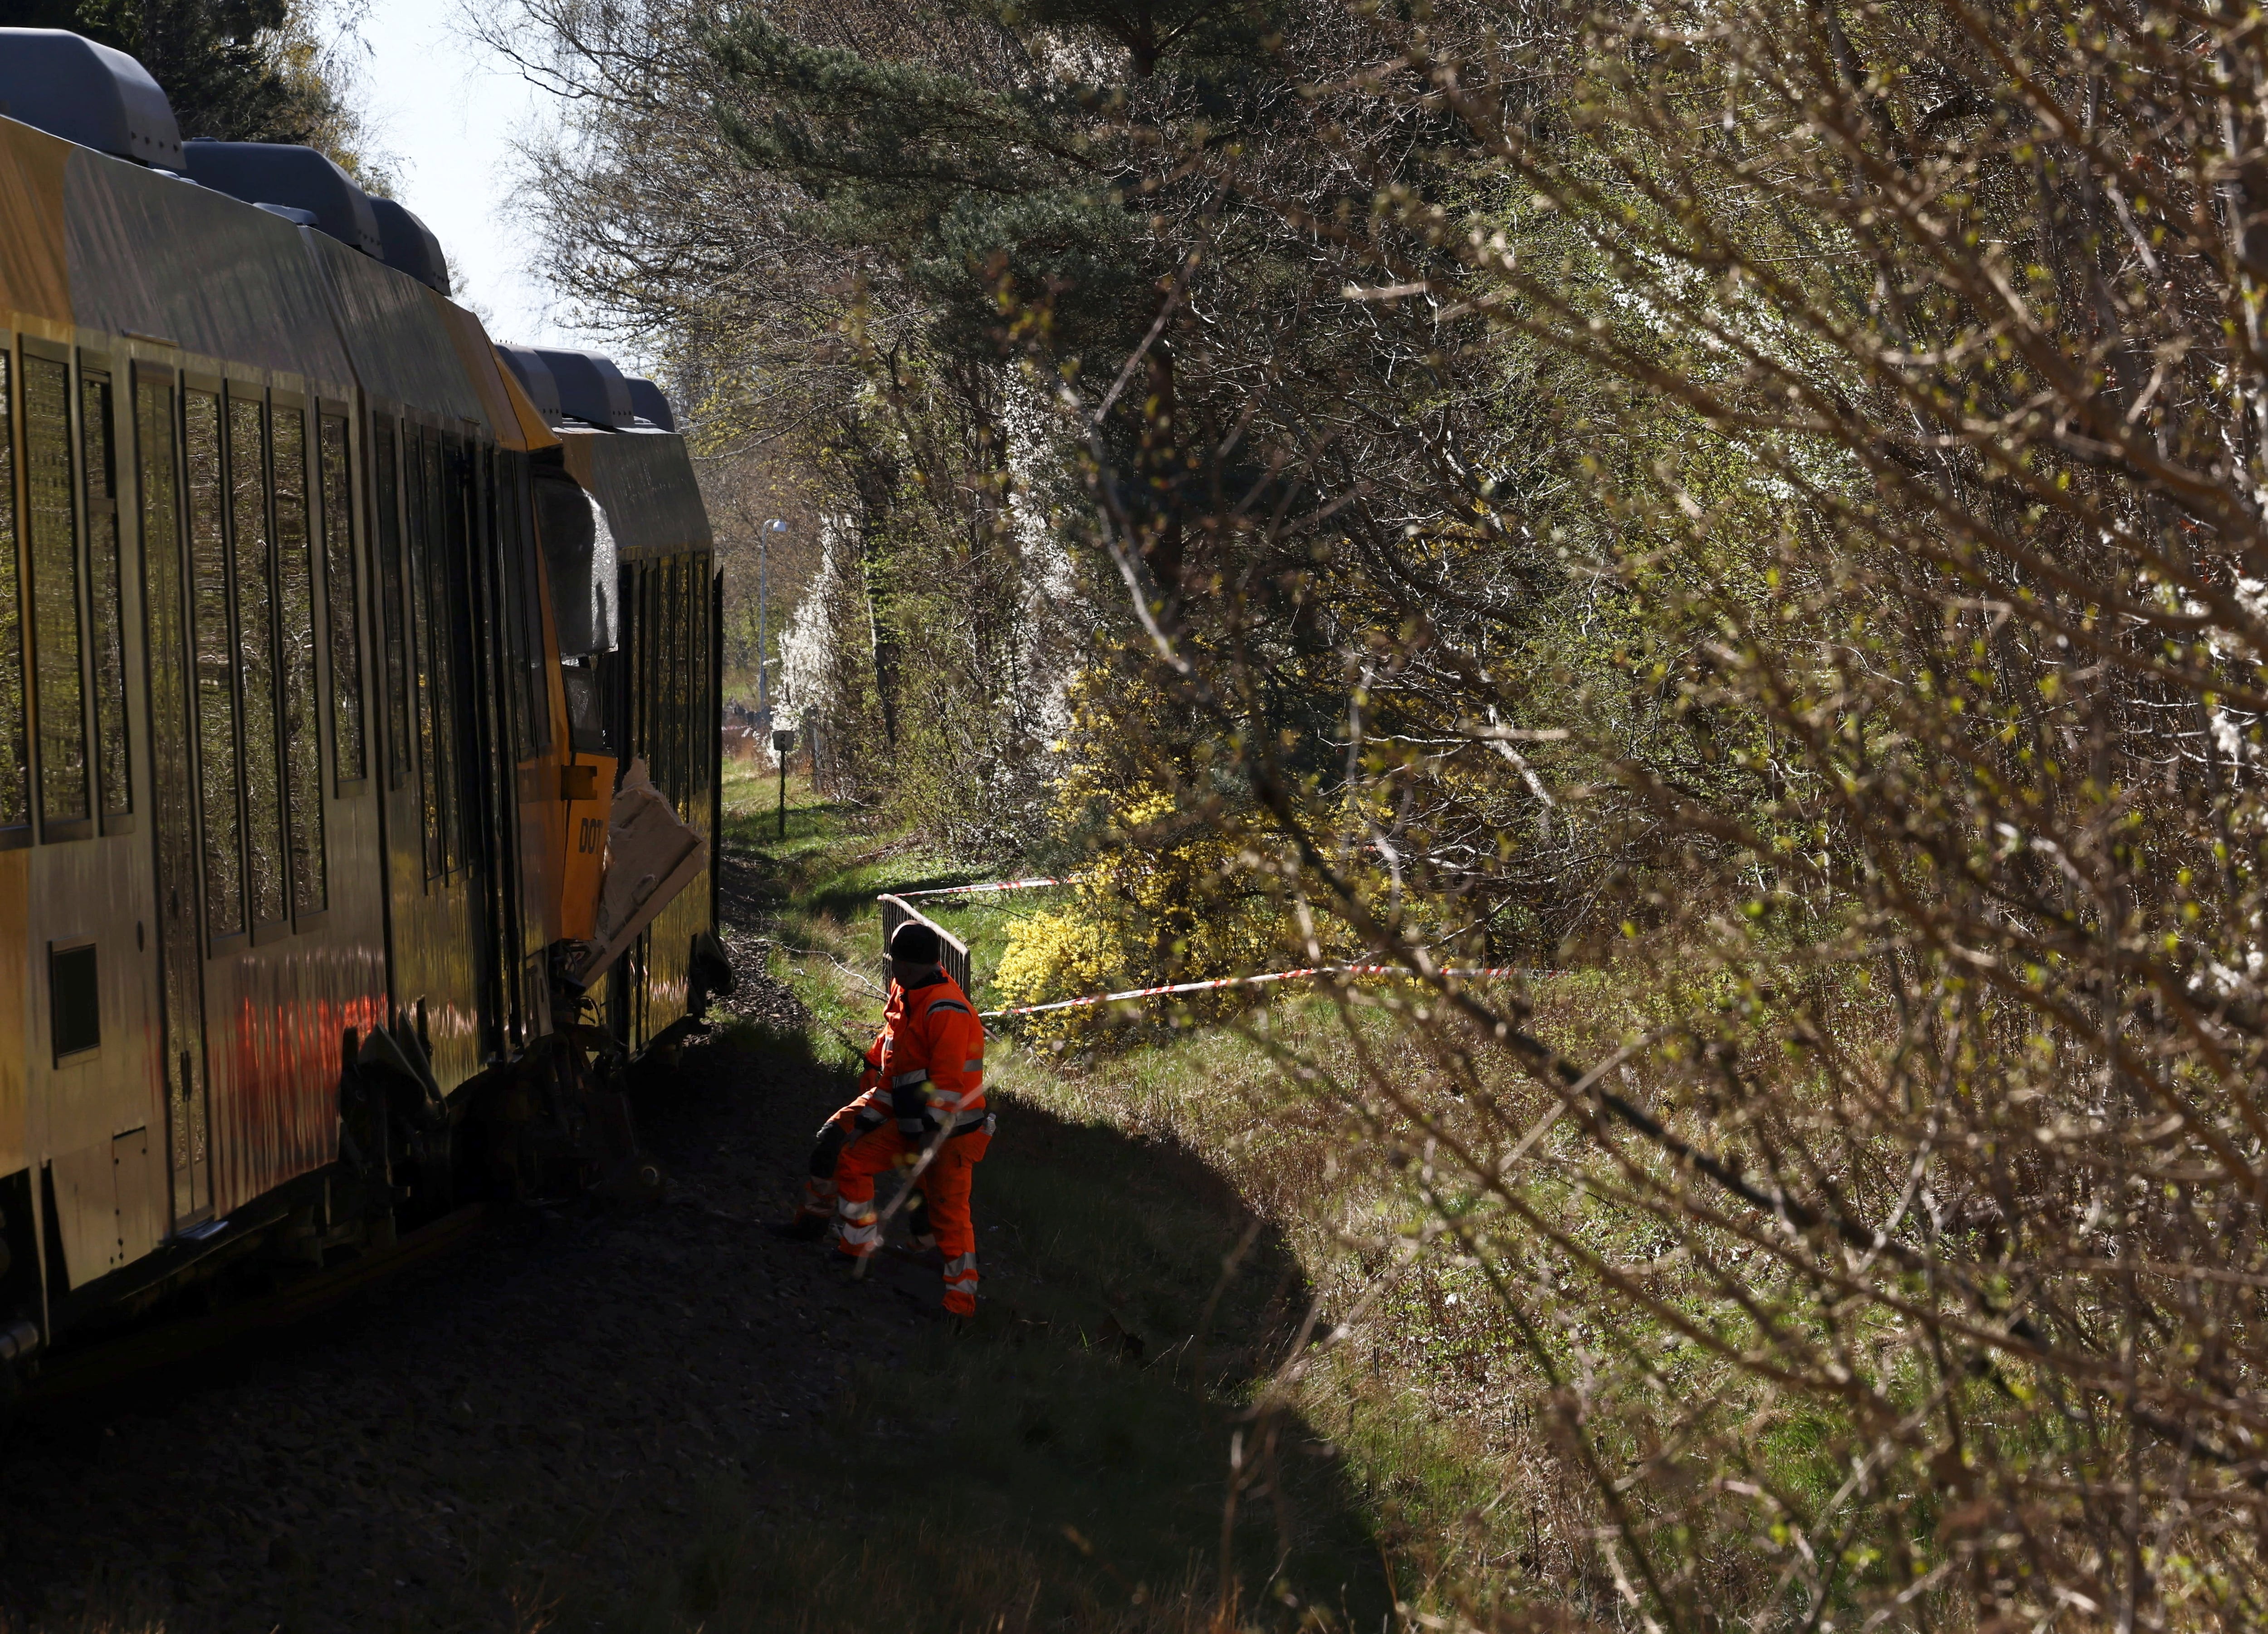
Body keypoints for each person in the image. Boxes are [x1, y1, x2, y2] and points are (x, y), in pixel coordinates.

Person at [774, 920, 992, 1317]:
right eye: (896, 965)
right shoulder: (906, 991)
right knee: (848, 1155)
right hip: (909, 1114)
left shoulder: (947, 1010)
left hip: (951, 1134)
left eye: (902, 966)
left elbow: (946, 1086)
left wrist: (925, 1145)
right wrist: (866, 1120)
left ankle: (959, 1306)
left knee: (949, 1213)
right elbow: (895, 1069)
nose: (897, 972)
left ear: (917, 966)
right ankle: (854, 1247)